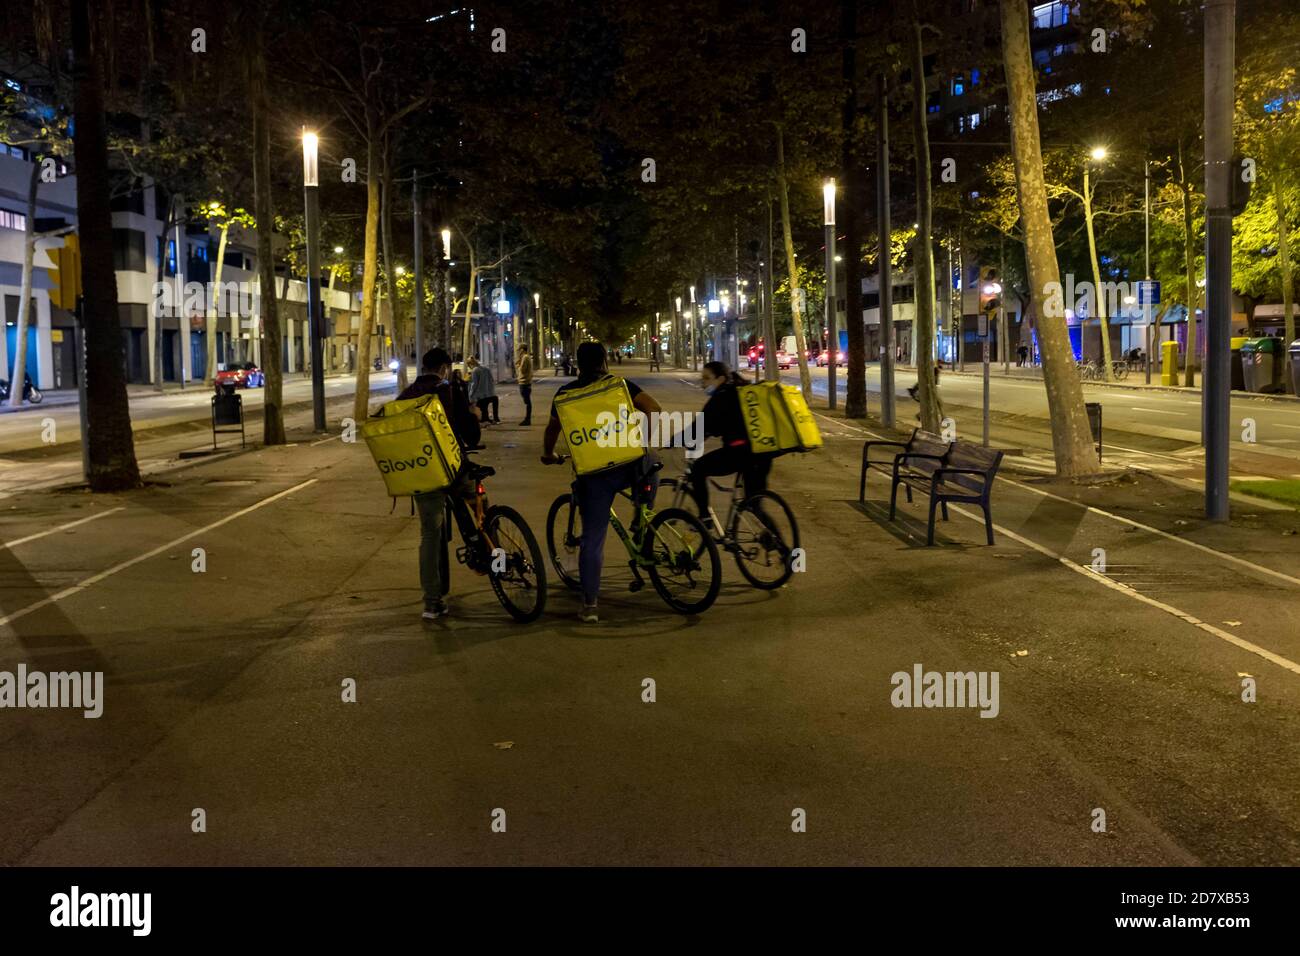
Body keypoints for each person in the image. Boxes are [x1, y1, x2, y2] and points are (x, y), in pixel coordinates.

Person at [541, 341, 662, 623]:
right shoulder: (619, 384)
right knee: (652, 461)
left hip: (594, 473)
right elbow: (654, 408)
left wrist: (548, 454)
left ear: (578, 364)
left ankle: (590, 605)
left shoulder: (565, 393)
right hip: (630, 464)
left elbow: (551, 430)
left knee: (593, 540)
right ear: (605, 361)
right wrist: (642, 442)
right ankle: (642, 518)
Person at [394, 347, 480, 622]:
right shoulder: (448, 390)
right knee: (476, 504)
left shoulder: (406, 395)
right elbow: (469, 433)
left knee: (431, 534)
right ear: (444, 367)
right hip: (453, 468)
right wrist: (475, 416)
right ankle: (485, 554)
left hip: (423, 472)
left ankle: (432, 603)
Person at [687, 362, 772, 523]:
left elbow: (700, 428)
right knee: (755, 506)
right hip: (763, 454)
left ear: (720, 378)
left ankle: (704, 517)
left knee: (697, 470)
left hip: (739, 454)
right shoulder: (742, 390)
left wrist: (673, 441)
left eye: (706, 378)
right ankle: (780, 545)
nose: (703, 383)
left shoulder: (722, 396)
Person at [467, 356, 499, 424]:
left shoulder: (475, 370)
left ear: (470, 364)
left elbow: (474, 384)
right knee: (485, 408)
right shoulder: (486, 368)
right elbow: (492, 380)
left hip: (481, 397)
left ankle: (484, 419)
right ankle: (493, 418)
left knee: (478, 409)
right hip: (490, 394)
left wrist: (470, 395)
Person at [515, 344, 534, 425]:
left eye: (519, 350)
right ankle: (527, 419)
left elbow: (522, 370)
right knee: (527, 401)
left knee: (527, 401)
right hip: (526, 382)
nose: (519, 351)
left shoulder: (525, 357)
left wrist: (518, 365)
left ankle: (527, 419)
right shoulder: (526, 357)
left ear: (522, 349)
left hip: (524, 382)